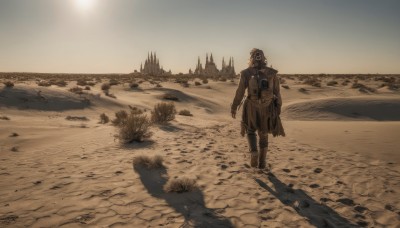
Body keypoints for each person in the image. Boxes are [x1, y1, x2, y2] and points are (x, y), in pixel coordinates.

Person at [231, 48, 285, 169]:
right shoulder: (272, 73)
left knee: (250, 130)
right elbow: (277, 92)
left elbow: (240, 92)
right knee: (264, 134)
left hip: (251, 106)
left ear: (251, 58)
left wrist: (234, 106)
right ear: (263, 58)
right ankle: (262, 163)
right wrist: (278, 107)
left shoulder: (246, 73)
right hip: (268, 107)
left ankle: (254, 152)